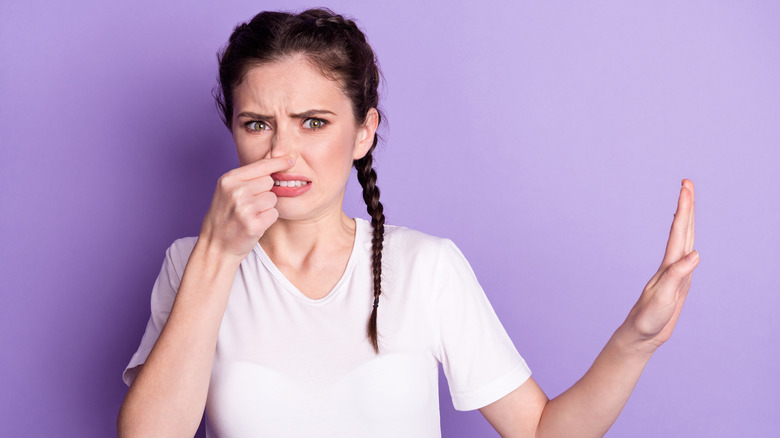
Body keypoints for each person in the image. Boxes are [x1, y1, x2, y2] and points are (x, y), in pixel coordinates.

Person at [117, 8, 699, 437]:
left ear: (364, 132)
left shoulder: (426, 266)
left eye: (313, 122)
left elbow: (542, 431)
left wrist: (635, 342)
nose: (281, 154)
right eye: (256, 123)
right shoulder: (190, 264)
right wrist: (218, 256)